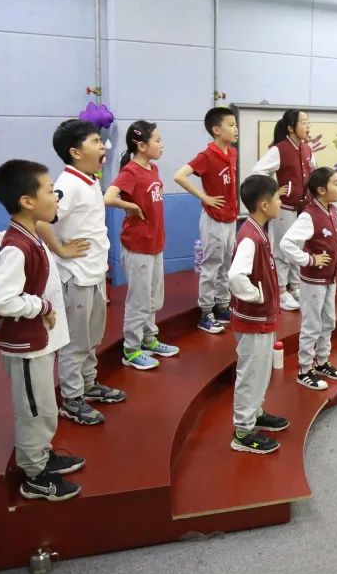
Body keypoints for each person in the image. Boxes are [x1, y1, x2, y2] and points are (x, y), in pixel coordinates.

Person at [0, 159, 84, 501]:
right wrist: (40, 307)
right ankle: (34, 475)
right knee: (33, 410)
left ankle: (42, 454)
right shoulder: (17, 245)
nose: (56, 196)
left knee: (43, 404)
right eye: (50, 190)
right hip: (26, 348)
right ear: (27, 201)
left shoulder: (32, 234)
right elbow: (1, 299)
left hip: (39, 343)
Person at [45, 120, 124, 426]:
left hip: (93, 273)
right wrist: (61, 249)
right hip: (76, 275)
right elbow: (41, 220)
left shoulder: (89, 180)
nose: (103, 145)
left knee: (91, 337)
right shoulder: (67, 184)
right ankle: (71, 398)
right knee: (75, 342)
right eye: (95, 141)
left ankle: (89, 384)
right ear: (75, 152)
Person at [104, 121, 180, 370]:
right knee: (138, 299)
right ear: (142, 145)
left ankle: (149, 338)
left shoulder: (153, 168)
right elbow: (108, 197)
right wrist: (132, 206)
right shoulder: (130, 171)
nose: (162, 144)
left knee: (153, 297)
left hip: (155, 242)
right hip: (137, 244)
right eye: (157, 140)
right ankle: (131, 349)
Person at [227, 174, 290, 455]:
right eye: (277, 198)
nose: (280, 202)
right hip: (253, 320)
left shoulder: (258, 230)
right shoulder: (250, 237)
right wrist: (257, 296)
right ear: (264, 205)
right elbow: (235, 276)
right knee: (251, 374)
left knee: (260, 372)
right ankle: (242, 431)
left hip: (262, 319)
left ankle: (255, 413)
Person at [174, 107, 240, 334]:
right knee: (212, 265)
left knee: (227, 263)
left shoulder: (232, 153)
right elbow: (179, 175)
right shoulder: (206, 155)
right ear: (216, 130)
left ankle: (222, 305)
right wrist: (204, 197)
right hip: (214, 218)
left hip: (230, 216)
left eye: (235, 124)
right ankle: (205, 313)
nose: (236, 129)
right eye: (230, 125)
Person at [281, 167, 337, 391]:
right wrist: (309, 259)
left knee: (328, 322)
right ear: (321, 190)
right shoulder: (309, 215)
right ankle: (304, 369)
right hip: (313, 282)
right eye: (335, 184)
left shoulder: (332, 210)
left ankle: (322, 361)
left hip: (330, 279)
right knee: (312, 325)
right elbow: (286, 243)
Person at [252, 108, 317, 311]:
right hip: (285, 208)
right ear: (290, 128)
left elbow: (313, 171)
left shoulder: (307, 149)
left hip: (304, 207)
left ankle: (295, 286)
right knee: (281, 250)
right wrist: (274, 191)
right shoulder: (279, 149)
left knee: (298, 247)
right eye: (303, 122)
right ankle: (281, 291)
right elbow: (257, 171)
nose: (308, 126)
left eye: (308, 122)